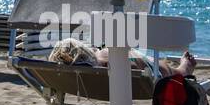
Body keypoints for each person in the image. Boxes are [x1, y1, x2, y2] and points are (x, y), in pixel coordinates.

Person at [50, 37, 196, 78]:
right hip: (154, 72)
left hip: (95, 79)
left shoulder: (64, 74)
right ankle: (184, 68)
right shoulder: (104, 58)